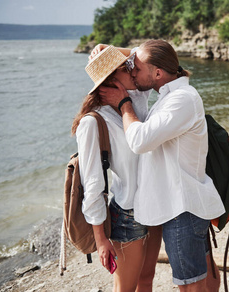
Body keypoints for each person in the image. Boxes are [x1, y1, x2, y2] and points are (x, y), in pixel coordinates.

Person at [93, 40, 226, 292]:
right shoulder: (171, 93)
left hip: (182, 208)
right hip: (188, 203)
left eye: (136, 68)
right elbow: (141, 54)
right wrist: (109, 49)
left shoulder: (181, 100)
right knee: (204, 274)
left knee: (191, 284)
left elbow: (139, 141)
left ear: (157, 74)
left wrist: (124, 104)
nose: (131, 71)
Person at [72, 45, 162, 292]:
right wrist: (100, 239)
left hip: (156, 206)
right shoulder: (93, 122)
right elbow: (92, 184)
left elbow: (145, 52)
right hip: (128, 215)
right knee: (126, 288)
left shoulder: (135, 100)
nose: (134, 69)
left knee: (147, 279)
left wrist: (111, 49)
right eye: (126, 68)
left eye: (131, 65)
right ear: (111, 80)